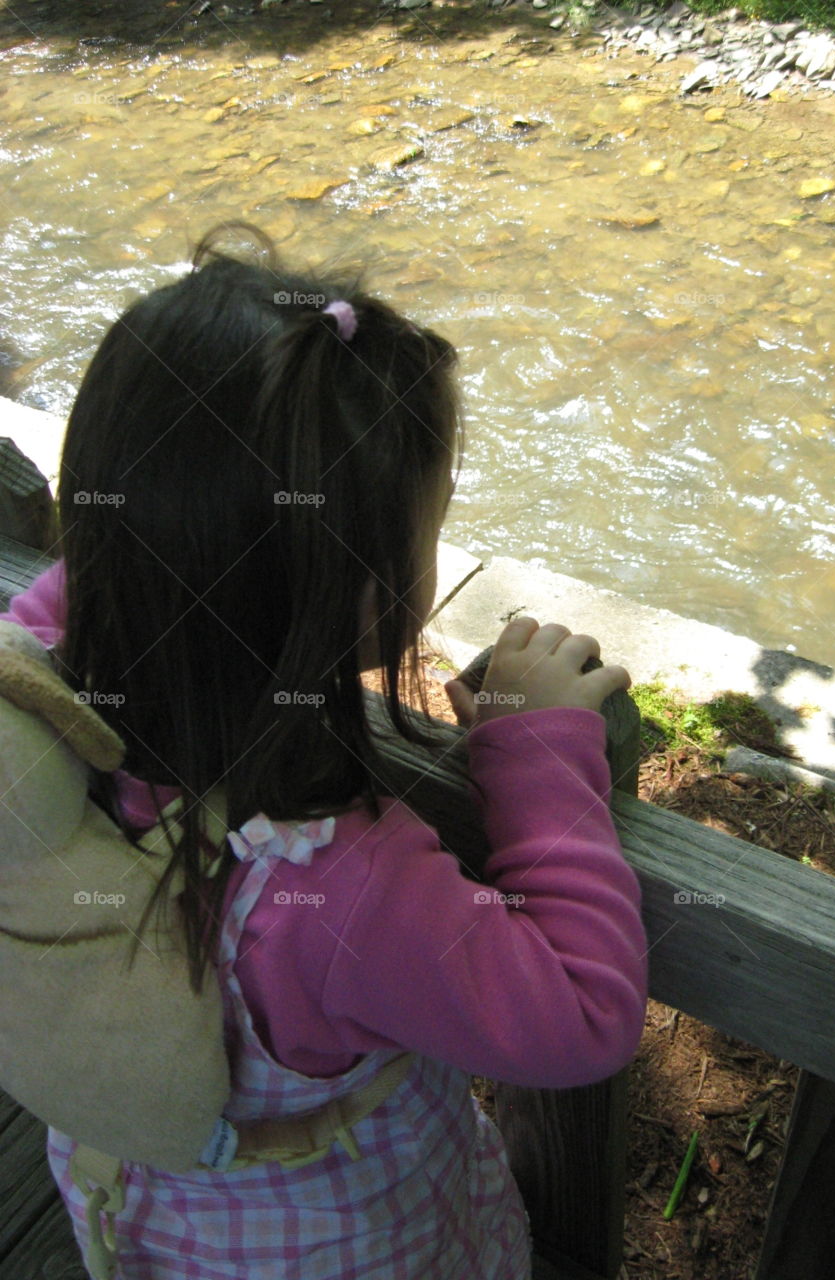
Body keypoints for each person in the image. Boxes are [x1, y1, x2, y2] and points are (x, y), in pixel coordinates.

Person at [0, 221, 648, 1278]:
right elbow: (582, 1013)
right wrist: (538, 749)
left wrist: (169, 539)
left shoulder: (33, 701)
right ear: (366, 598)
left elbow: (79, 594)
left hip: (146, 1216)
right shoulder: (336, 887)